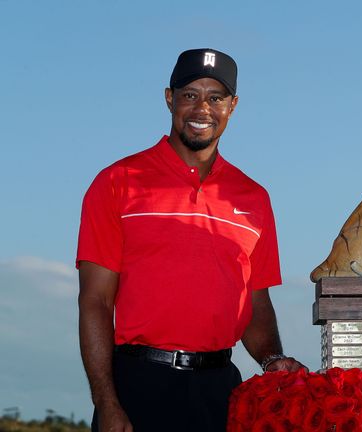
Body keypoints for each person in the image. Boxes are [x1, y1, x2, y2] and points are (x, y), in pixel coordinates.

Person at [77, 48, 306, 432]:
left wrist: (271, 358)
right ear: (170, 99)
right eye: (190, 95)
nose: (203, 108)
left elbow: (254, 299)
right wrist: (106, 402)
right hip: (139, 386)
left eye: (215, 97)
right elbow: (95, 301)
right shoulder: (117, 182)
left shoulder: (254, 197)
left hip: (219, 390)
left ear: (232, 106)